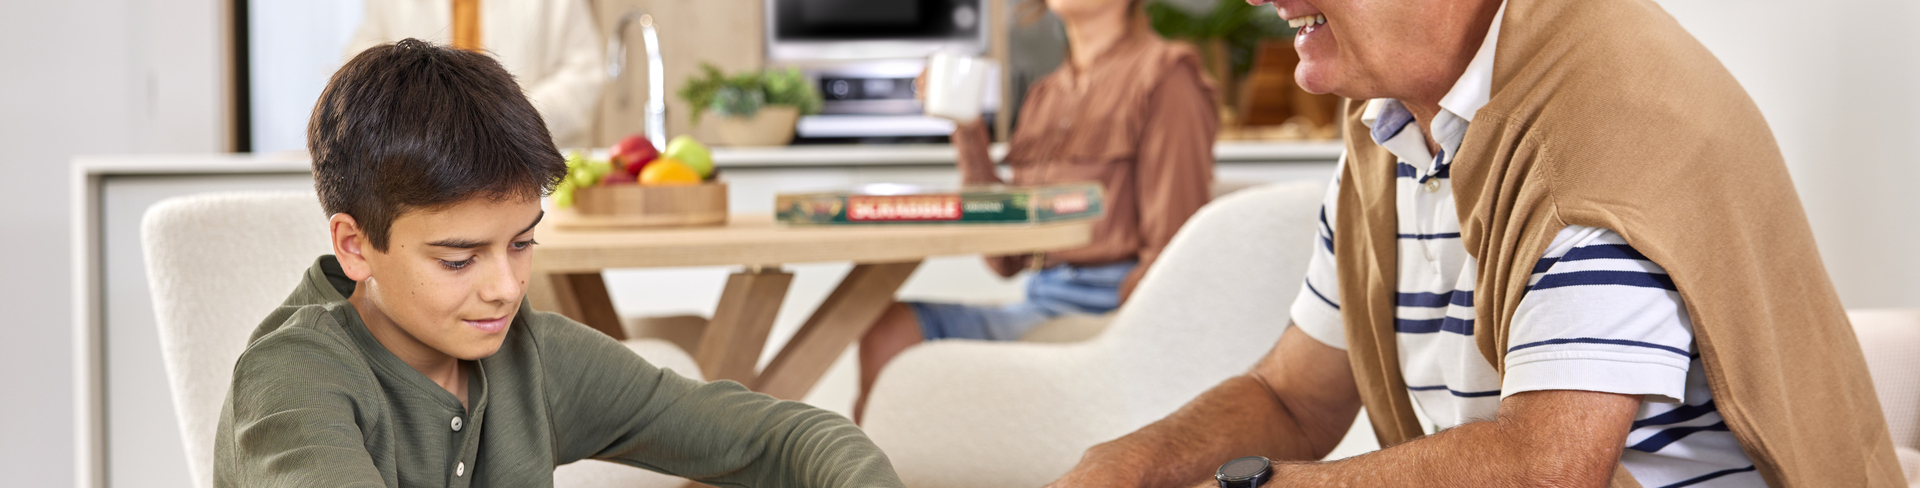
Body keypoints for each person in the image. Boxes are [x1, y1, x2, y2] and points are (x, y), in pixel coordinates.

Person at [1043, 0, 1906, 486]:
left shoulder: (1606, 124)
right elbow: (1294, 397)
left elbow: (1546, 470)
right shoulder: (1384, 131)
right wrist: (1127, 464)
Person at [214, 39, 904, 488]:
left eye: (521, 243)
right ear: (356, 245)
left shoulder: (530, 357)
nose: (506, 288)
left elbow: (780, 436)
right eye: (459, 260)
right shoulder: (293, 377)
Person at [853, 0, 1219, 422]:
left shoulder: (1168, 74)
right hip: (1040, 298)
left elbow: (1176, 251)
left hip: (1112, 306)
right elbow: (1004, 259)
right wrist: (968, 131)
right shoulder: (1045, 94)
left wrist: (1126, 337)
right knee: (887, 327)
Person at [346, 0, 604, 149]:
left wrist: (510, 120)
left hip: (521, 157)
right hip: (427, 158)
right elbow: (365, 67)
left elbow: (583, 72)